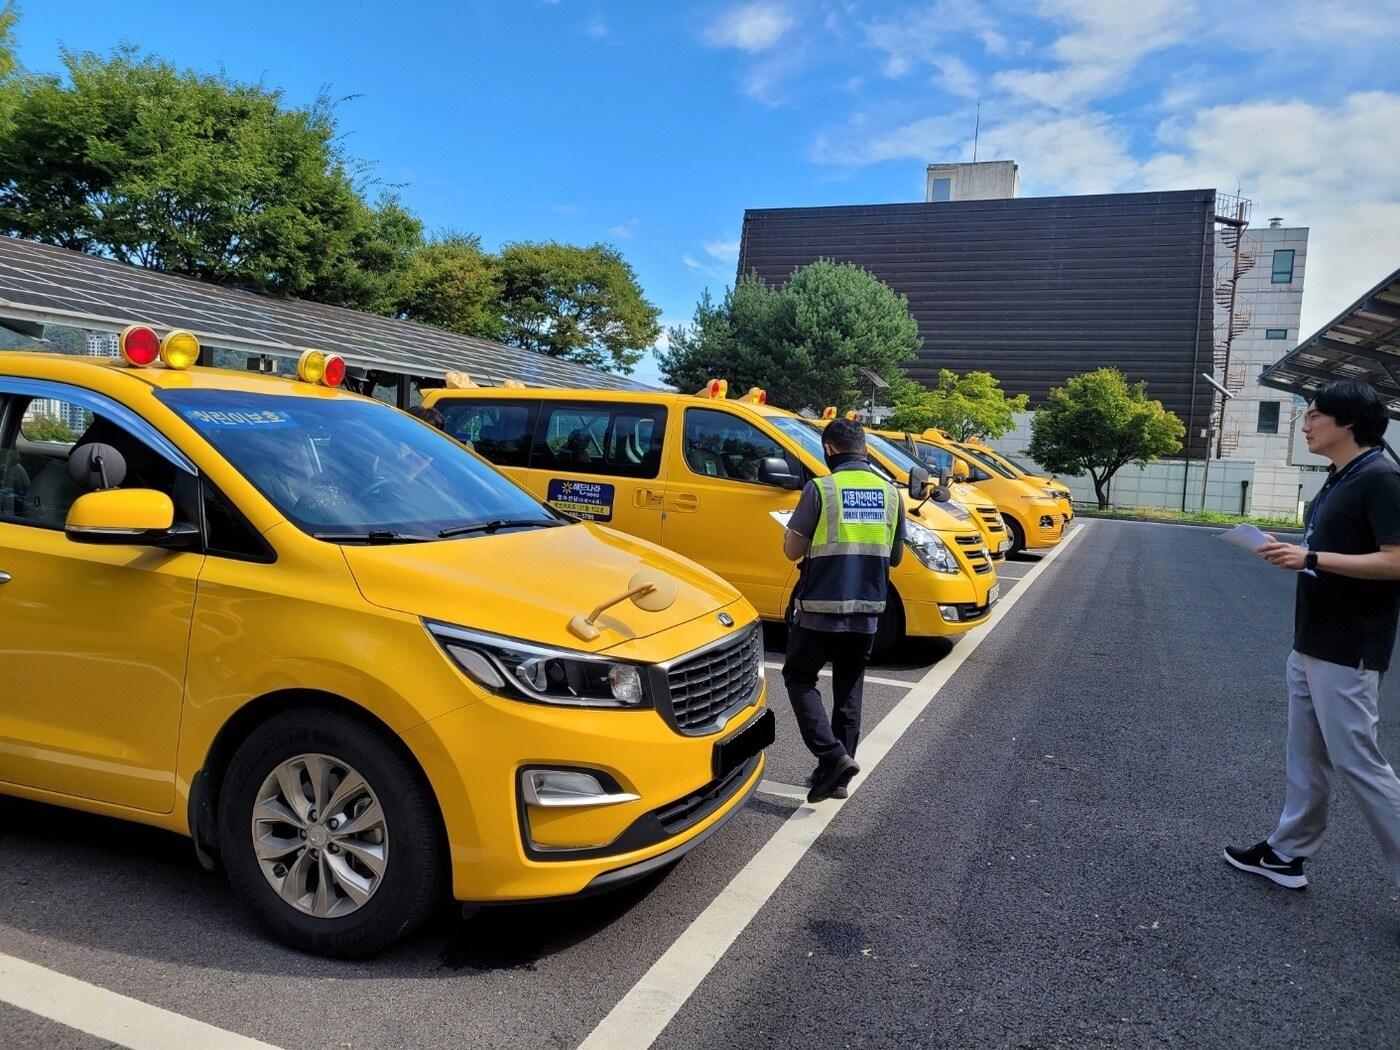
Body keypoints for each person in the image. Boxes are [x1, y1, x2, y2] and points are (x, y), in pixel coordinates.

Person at [1225, 379, 1400, 891]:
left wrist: (1313, 557)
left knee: (1359, 763)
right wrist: (1296, 551)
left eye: (1314, 415)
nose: (1305, 425)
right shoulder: (1341, 476)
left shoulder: (1383, 478)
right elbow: (1337, 545)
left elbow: (1396, 561)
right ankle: (1286, 852)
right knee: (1306, 754)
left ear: (1348, 423)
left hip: (1350, 646)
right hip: (1314, 639)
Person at [782, 418, 904, 803]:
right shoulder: (890, 493)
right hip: (868, 609)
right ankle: (836, 779)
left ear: (830, 450)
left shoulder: (821, 489)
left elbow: (792, 551)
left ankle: (832, 756)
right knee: (849, 689)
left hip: (820, 606)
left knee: (799, 678)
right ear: (865, 449)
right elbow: (896, 556)